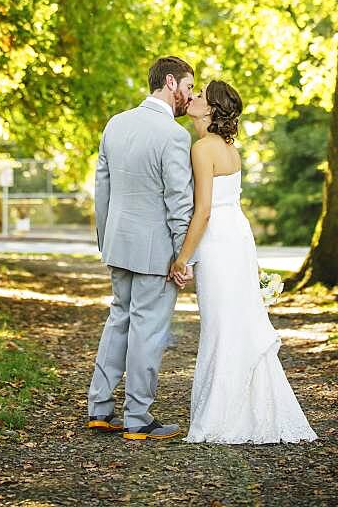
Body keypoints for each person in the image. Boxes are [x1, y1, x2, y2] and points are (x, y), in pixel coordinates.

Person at [170, 80, 317, 444]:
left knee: (221, 326)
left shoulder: (203, 148)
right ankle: (248, 410)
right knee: (234, 322)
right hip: (237, 237)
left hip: (219, 240)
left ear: (212, 109)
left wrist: (182, 258)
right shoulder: (230, 148)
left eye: (201, 95)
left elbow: (202, 211)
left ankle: (223, 417)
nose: (195, 98)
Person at [87, 55, 195, 440]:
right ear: (170, 82)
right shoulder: (174, 136)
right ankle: (138, 418)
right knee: (147, 331)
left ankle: (99, 408)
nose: (190, 96)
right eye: (187, 88)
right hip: (157, 253)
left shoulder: (116, 124)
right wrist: (185, 257)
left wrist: (106, 239)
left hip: (118, 243)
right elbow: (179, 202)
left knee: (119, 321)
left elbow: (102, 189)